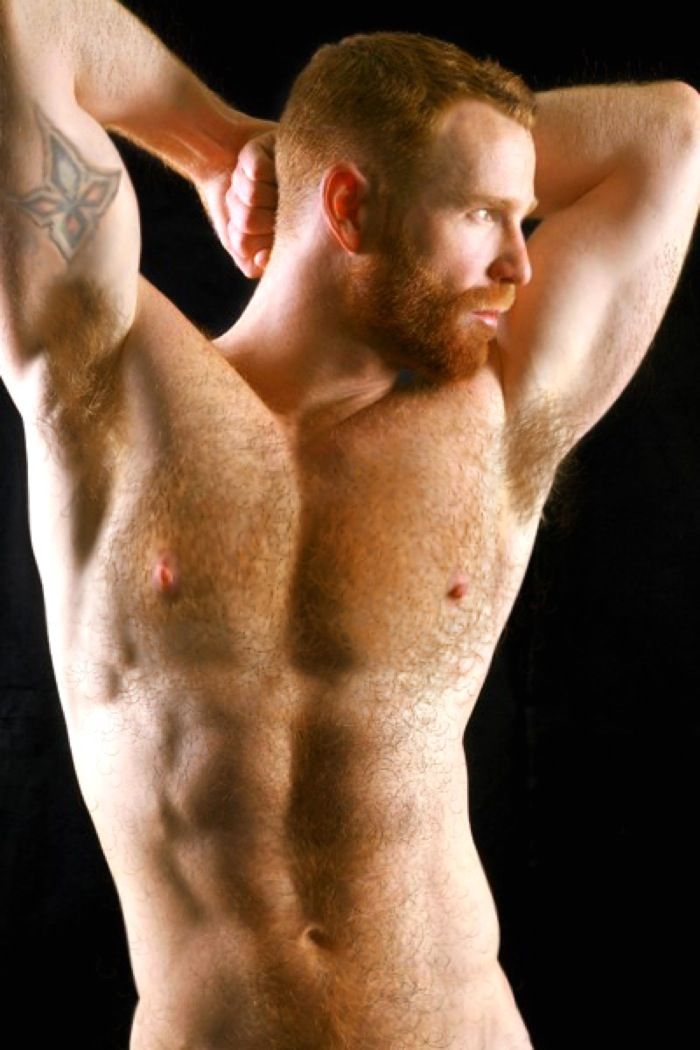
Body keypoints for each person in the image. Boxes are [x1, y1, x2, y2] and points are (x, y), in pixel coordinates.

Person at [1, 2, 699, 1047]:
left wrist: (405, 160)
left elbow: (670, 131)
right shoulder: (102, 381)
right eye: (482, 213)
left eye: (523, 217)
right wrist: (219, 143)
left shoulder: (496, 419)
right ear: (347, 203)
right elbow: (24, 25)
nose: (518, 263)